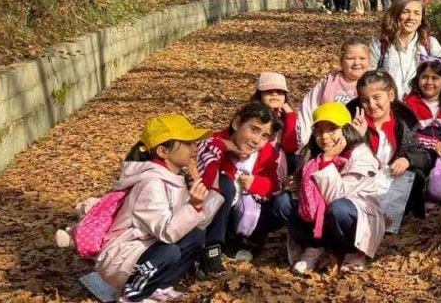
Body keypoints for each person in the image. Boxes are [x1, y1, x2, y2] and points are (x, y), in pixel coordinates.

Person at [94, 115, 220, 303]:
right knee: (169, 251)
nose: (195, 147)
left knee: (195, 236)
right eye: (188, 143)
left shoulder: (176, 178)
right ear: (163, 151)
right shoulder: (151, 184)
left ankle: (159, 287)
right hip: (121, 258)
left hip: (147, 247)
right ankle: (133, 295)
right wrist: (193, 206)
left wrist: (203, 200)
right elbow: (166, 232)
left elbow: (187, 225)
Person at [288, 102, 384, 275]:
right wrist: (295, 185)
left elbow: (337, 196)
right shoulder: (312, 155)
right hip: (322, 220)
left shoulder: (361, 155)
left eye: (332, 129)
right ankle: (314, 247)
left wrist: (327, 161)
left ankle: (353, 252)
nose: (325, 137)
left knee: (340, 208)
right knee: (285, 202)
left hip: (354, 218)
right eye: (319, 131)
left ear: (346, 130)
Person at [197, 103, 292, 270]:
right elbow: (207, 176)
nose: (256, 140)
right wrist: (225, 146)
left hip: (247, 208)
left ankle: (246, 241)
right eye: (254, 130)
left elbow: (273, 184)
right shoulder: (215, 142)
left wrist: (254, 183)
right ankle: (213, 246)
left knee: (278, 202)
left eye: (264, 136)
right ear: (236, 123)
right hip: (216, 210)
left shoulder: (267, 154)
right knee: (225, 185)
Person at [348, 71, 432, 219]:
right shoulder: (352, 122)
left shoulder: (403, 124)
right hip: (361, 184)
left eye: (377, 97)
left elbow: (424, 156)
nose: (371, 105)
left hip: (391, 185)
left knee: (417, 174)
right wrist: (355, 137)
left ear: (390, 95)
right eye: (365, 100)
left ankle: (407, 219)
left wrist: (407, 159)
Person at [296, 38, 374, 147]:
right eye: (350, 58)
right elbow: (308, 109)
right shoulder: (328, 82)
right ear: (341, 61)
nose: (357, 63)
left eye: (362, 58)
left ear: (369, 61)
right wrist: (306, 143)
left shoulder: (374, 84)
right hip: (327, 141)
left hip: (360, 141)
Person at [371, 0, 441, 96]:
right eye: (405, 12)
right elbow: (367, 79)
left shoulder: (430, 44)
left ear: (421, 20)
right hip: (389, 104)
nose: (411, 17)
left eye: (417, 13)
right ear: (395, 15)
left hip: (420, 104)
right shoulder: (379, 44)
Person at [402, 54, 441, 161]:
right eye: (424, 77)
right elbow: (406, 134)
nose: (429, 82)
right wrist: (432, 144)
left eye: (435, 78)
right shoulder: (410, 104)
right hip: (421, 147)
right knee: (423, 157)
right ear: (418, 79)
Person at [253, 72, 300, 171]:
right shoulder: (253, 116)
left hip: (280, 162)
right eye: (269, 91)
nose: (274, 94)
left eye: (279, 92)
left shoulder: (286, 117)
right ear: (260, 95)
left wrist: (290, 115)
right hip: (258, 162)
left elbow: (291, 147)